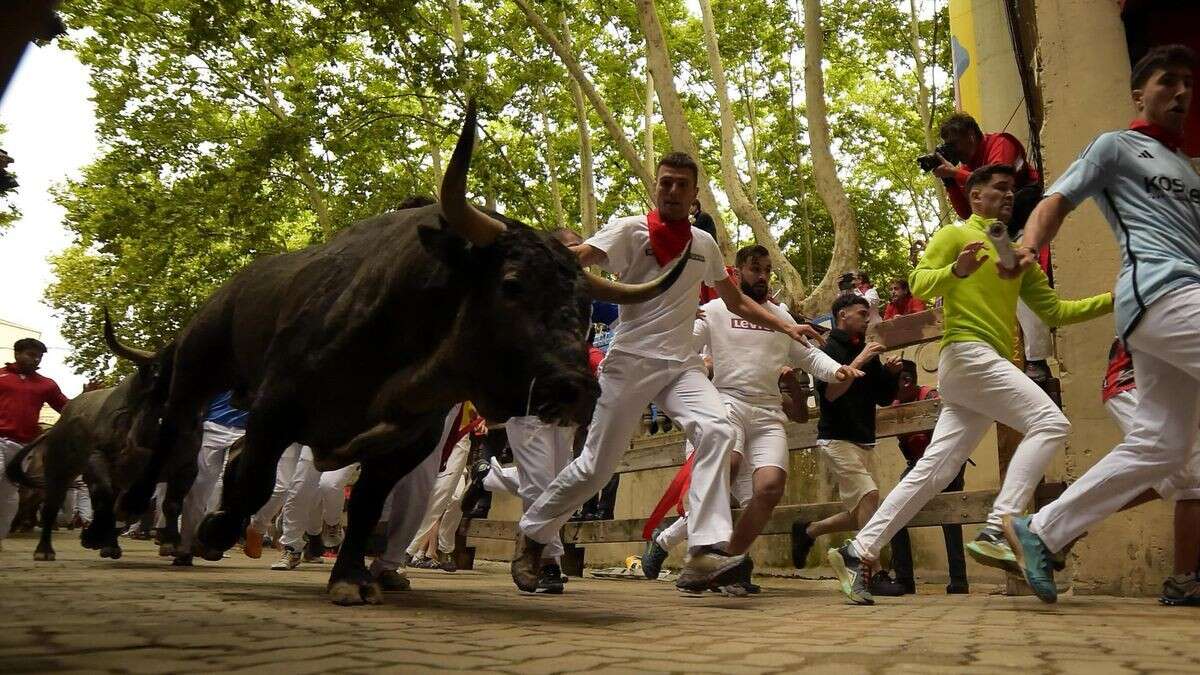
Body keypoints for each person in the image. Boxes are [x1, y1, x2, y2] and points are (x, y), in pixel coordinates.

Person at [512, 152, 822, 594]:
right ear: (656, 187)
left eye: (682, 185)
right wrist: (537, 262)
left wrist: (787, 324)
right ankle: (533, 531)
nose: (672, 190)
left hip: (681, 365)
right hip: (631, 361)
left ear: (695, 195)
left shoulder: (704, 245)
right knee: (596, 469)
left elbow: (735, 302)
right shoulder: (628, 230)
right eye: (665, 183)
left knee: (717, 430)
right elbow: (582, 256)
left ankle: (703, 551)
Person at [825, 163, 1113, 605]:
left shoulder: (1017, 258)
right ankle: (1000, 526)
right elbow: (920, 280)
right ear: (975, 197)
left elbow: (1057, 312)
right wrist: (954, 273)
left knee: (933, 472)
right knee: (1050, 423)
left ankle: (857, 549)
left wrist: (1118, 298)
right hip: (965, 354)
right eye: (998, 189)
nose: (1008, 195)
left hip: (976, 372)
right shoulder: (955, 235)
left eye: (1012, 190)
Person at [1001, 45, 1200, 604]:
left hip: (1176, 302)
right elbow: (1056, 199)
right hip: (1160, 294)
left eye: (1188, 83)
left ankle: (1040, 529)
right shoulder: (1116, 146)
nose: (1182, 92)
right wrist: (1028, 245)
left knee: (1162, 448)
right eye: (1168, 82)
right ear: (1140, 94)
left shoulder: (1186, 168)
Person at [640, 244, 861, 594]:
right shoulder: (714, 310)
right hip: (725, 402)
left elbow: (810, 357)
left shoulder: (783, 317)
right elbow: (682, 346)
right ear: (737, 272)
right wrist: (676, 323)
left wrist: (839, 371)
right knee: (726, 464)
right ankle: (691, 553)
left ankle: (726, 562)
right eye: (755, 269)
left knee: (770, 488)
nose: (762, 276)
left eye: (767, 270)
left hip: (768, 412)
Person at [792, 294, 905, 597]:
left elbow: (883, 397)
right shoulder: (828, 349)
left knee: (861, 512)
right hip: (836, 438)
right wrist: (859, 361)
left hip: (864, 440)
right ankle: (873, 571)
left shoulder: (864, 349)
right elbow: (830, 394)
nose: (868, 319)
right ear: (843, 315)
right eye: (862, 313)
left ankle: (808, 531)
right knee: (870, 495)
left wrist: (891, 375)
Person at [933, 112, 1053, 382]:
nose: (955, 151)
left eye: (956, 143)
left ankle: (1037, 359)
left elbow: (998, 181)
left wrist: (957, 172)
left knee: (1023, 287)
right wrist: (951, 181)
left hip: (1027, 217)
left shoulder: (1000, 142)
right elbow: (966, 212)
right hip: (999, 231)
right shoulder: (966, 168)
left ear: (972, 135)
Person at [1100, 338, 1200, 605]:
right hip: (1134, 385)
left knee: (1181, 482)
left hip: (1161, 387)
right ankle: (1051, 526)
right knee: (1190, 479)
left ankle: (1184, 581)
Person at [886, 360, 969, 595]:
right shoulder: (896, 405)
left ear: (907, 381)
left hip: (946, 461)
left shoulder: (930, 397)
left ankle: (959, 581)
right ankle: (904, 578)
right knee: (893, 509)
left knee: (950, 516)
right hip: (917, 465)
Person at [0, 338, 69, 550]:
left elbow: (67, 408)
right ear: (17, 353)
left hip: (24, 447)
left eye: (38, 356)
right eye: (30, 354)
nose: (35, 359)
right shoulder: (1, 377)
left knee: (9, 492)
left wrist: (86, 397)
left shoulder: (46, 384)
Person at [404, 402, 481, 572]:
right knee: (421, 491)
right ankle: (409, 551)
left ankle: (414, 551)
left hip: (460, 434)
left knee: (448, 494)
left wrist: (482, 416)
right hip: (431, 427)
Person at [175, 391, 247, 565]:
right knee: (199, 486)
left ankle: (210, 539)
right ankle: (185, 547)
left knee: (225, 489)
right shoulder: (220, 367)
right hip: (213, 426)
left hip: (245, 432)